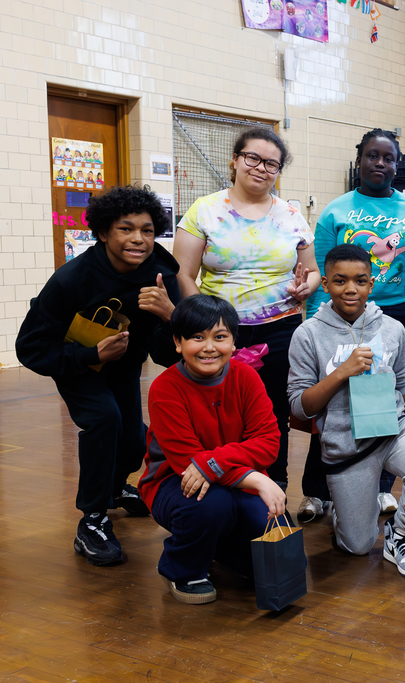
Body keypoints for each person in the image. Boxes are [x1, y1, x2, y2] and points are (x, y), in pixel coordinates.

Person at [16, 186, 181, 566]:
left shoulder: (161, 274)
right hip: (76, 362)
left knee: (134, 439)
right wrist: (90, 354)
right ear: (104, 233)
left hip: (124, 364)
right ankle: (92, 520)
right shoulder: (71, 280)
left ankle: (115, 488)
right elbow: (30, 347)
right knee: (104, 420)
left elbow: (166, 354)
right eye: (126, 229)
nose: (138, 239)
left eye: (147, 230)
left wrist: (170, 315)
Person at [173, 127, 320, 493]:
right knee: (221, 407)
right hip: (220, 330)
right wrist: (206, 323)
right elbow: (184, 273)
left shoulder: (290, 214)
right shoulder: (205, 210)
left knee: (271, 412)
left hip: (280, 328)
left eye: (272, 163)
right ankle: (221, 478)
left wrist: (307, 286)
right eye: (252, 158)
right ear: (235, 160)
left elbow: (314, 271)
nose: (261, 168)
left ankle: (276, 482)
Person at [299, 128, 405, 524]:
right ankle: (315, 492)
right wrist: (315, 324)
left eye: (388, 157)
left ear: (397, 164)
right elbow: (322, 270)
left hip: (393, 319)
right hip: (339, 319)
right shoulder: (336, 210)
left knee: (383, 403)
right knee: (331, 404)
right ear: (359, 161)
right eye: (372, 156)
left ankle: (378, 490)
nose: (380, 163)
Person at [288, 245, 405, 577]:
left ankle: (400, 534)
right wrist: (342, 371)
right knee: (357, 546)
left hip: (393, 432)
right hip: (346, 448)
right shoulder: (308, 335)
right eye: (340, 281)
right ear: (326, 284)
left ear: (371, 284)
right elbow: (300, 407)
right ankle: (351, 507)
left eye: (360, 281)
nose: (350, 289)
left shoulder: (391, 329)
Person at [139, 295, 286, 604]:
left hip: (226, 475)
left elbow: (268, 442)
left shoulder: (246, 376)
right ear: (177, 343)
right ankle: (182, 568)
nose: (209, 347)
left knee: (267, 561)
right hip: (176, 482)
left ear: (233, 342)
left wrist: (215, 462)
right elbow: (187, 463)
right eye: (197, 337)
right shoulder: (165, 387)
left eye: (220, 337)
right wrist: (259, 480)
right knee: (211, 505)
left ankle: (208, 543)